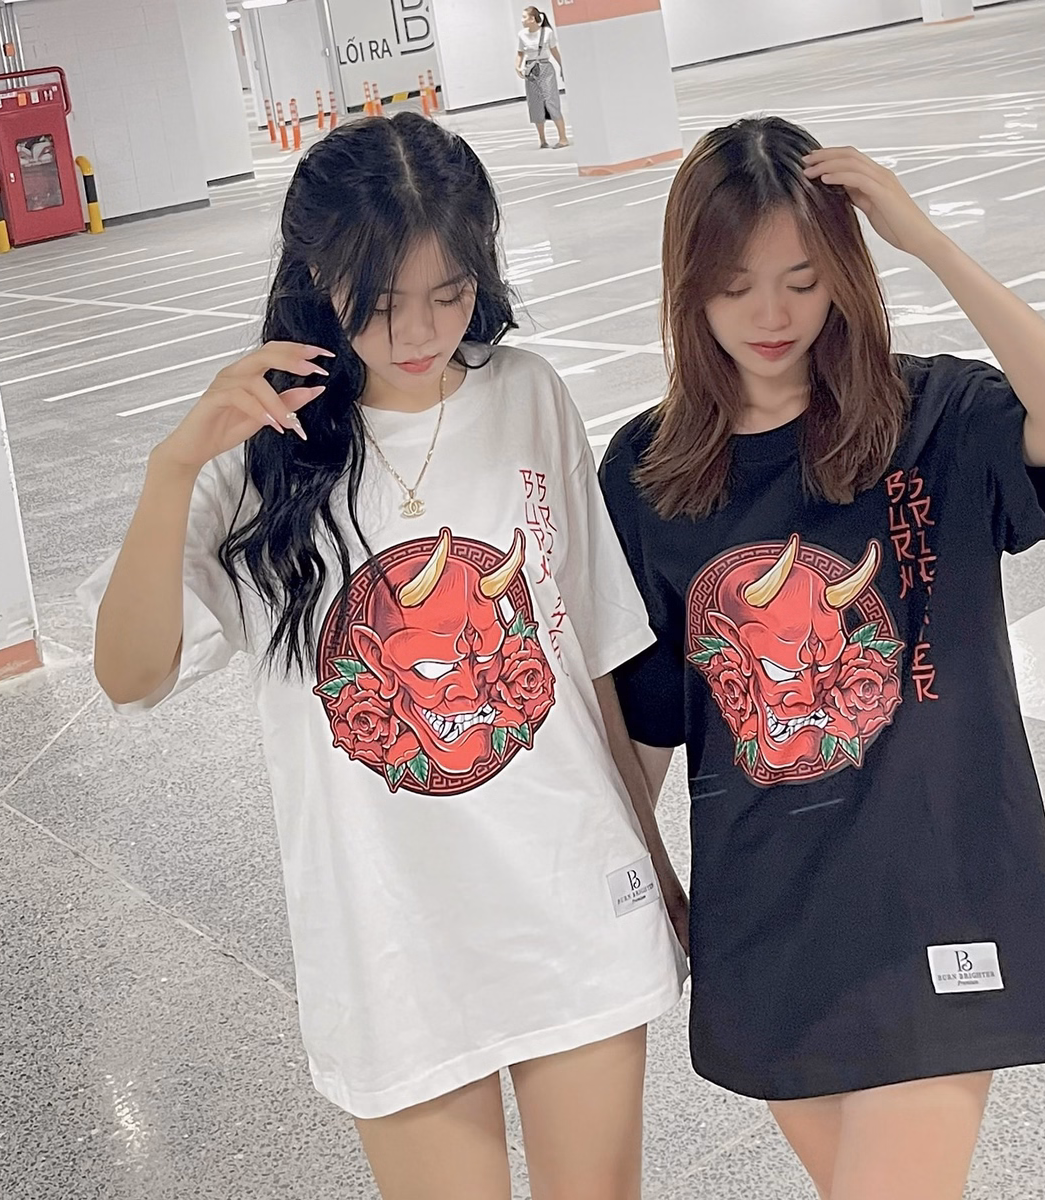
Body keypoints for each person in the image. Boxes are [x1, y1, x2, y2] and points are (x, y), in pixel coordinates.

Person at [82, 111, 687, 1200]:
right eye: (379, 302)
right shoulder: (258, 457)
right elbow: (129, 677)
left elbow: (589, 653)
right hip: (392, 936)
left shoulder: (527, 394)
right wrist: (174, 468)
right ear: (319, 273)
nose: (419, 331)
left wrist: (654, 864)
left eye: (449, 294)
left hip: (570, 897)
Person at [599, 116, 1045, 1200]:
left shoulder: (930, 414)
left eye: (803, 279)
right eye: (736, 285)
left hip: (937, 889)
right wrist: (648, 883)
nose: (773, 315)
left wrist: (926, 241)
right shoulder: (649, 470)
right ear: (688, 287)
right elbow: (645, 720)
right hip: (770, 912)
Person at [516, 7, 569, 150]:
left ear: (532, 19)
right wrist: (517, 66)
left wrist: (562, 67)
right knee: (535, 103)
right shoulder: (522, 35)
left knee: (551, 100)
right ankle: (542, 139)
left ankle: (563, 138)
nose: (522, 20)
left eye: (524, 17)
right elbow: (520, 53)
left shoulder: (547, 33)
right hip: (530, 70)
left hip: (545, 67)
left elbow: (554, 51)